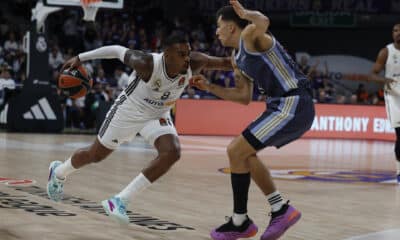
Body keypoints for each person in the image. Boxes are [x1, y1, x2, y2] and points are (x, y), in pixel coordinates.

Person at [47, 32, 232, 224]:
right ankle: (59, 172)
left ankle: (119, 201)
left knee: (172, 152)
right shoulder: (147, 63)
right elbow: (116, 50)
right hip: (129, 111)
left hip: (158, 114)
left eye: (188, 53)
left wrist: (255, 53)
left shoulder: (195, 63)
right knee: (95, 154)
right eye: (182, 54)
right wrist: (80, 58)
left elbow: (227, 63)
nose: (187, 58)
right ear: (167, 54)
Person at [190, 1, 315, 239]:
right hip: (281, 105)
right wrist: (209, 86)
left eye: (219, 26)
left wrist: (247, 14)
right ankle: (262, 215)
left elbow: (263, 22)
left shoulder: (250, 35)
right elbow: (242, 97)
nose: (216, 31)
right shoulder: (238, 59)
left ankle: (255, 218)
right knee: (242, 153)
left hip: (294, 102)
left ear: (231, 27)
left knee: (236, 150)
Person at [371, 22, 400, 183]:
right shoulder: (386, 52)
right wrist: (384, 79)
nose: (398, 33)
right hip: (394, 97)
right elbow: (372, 75)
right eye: (395, 30)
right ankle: (399, 171)